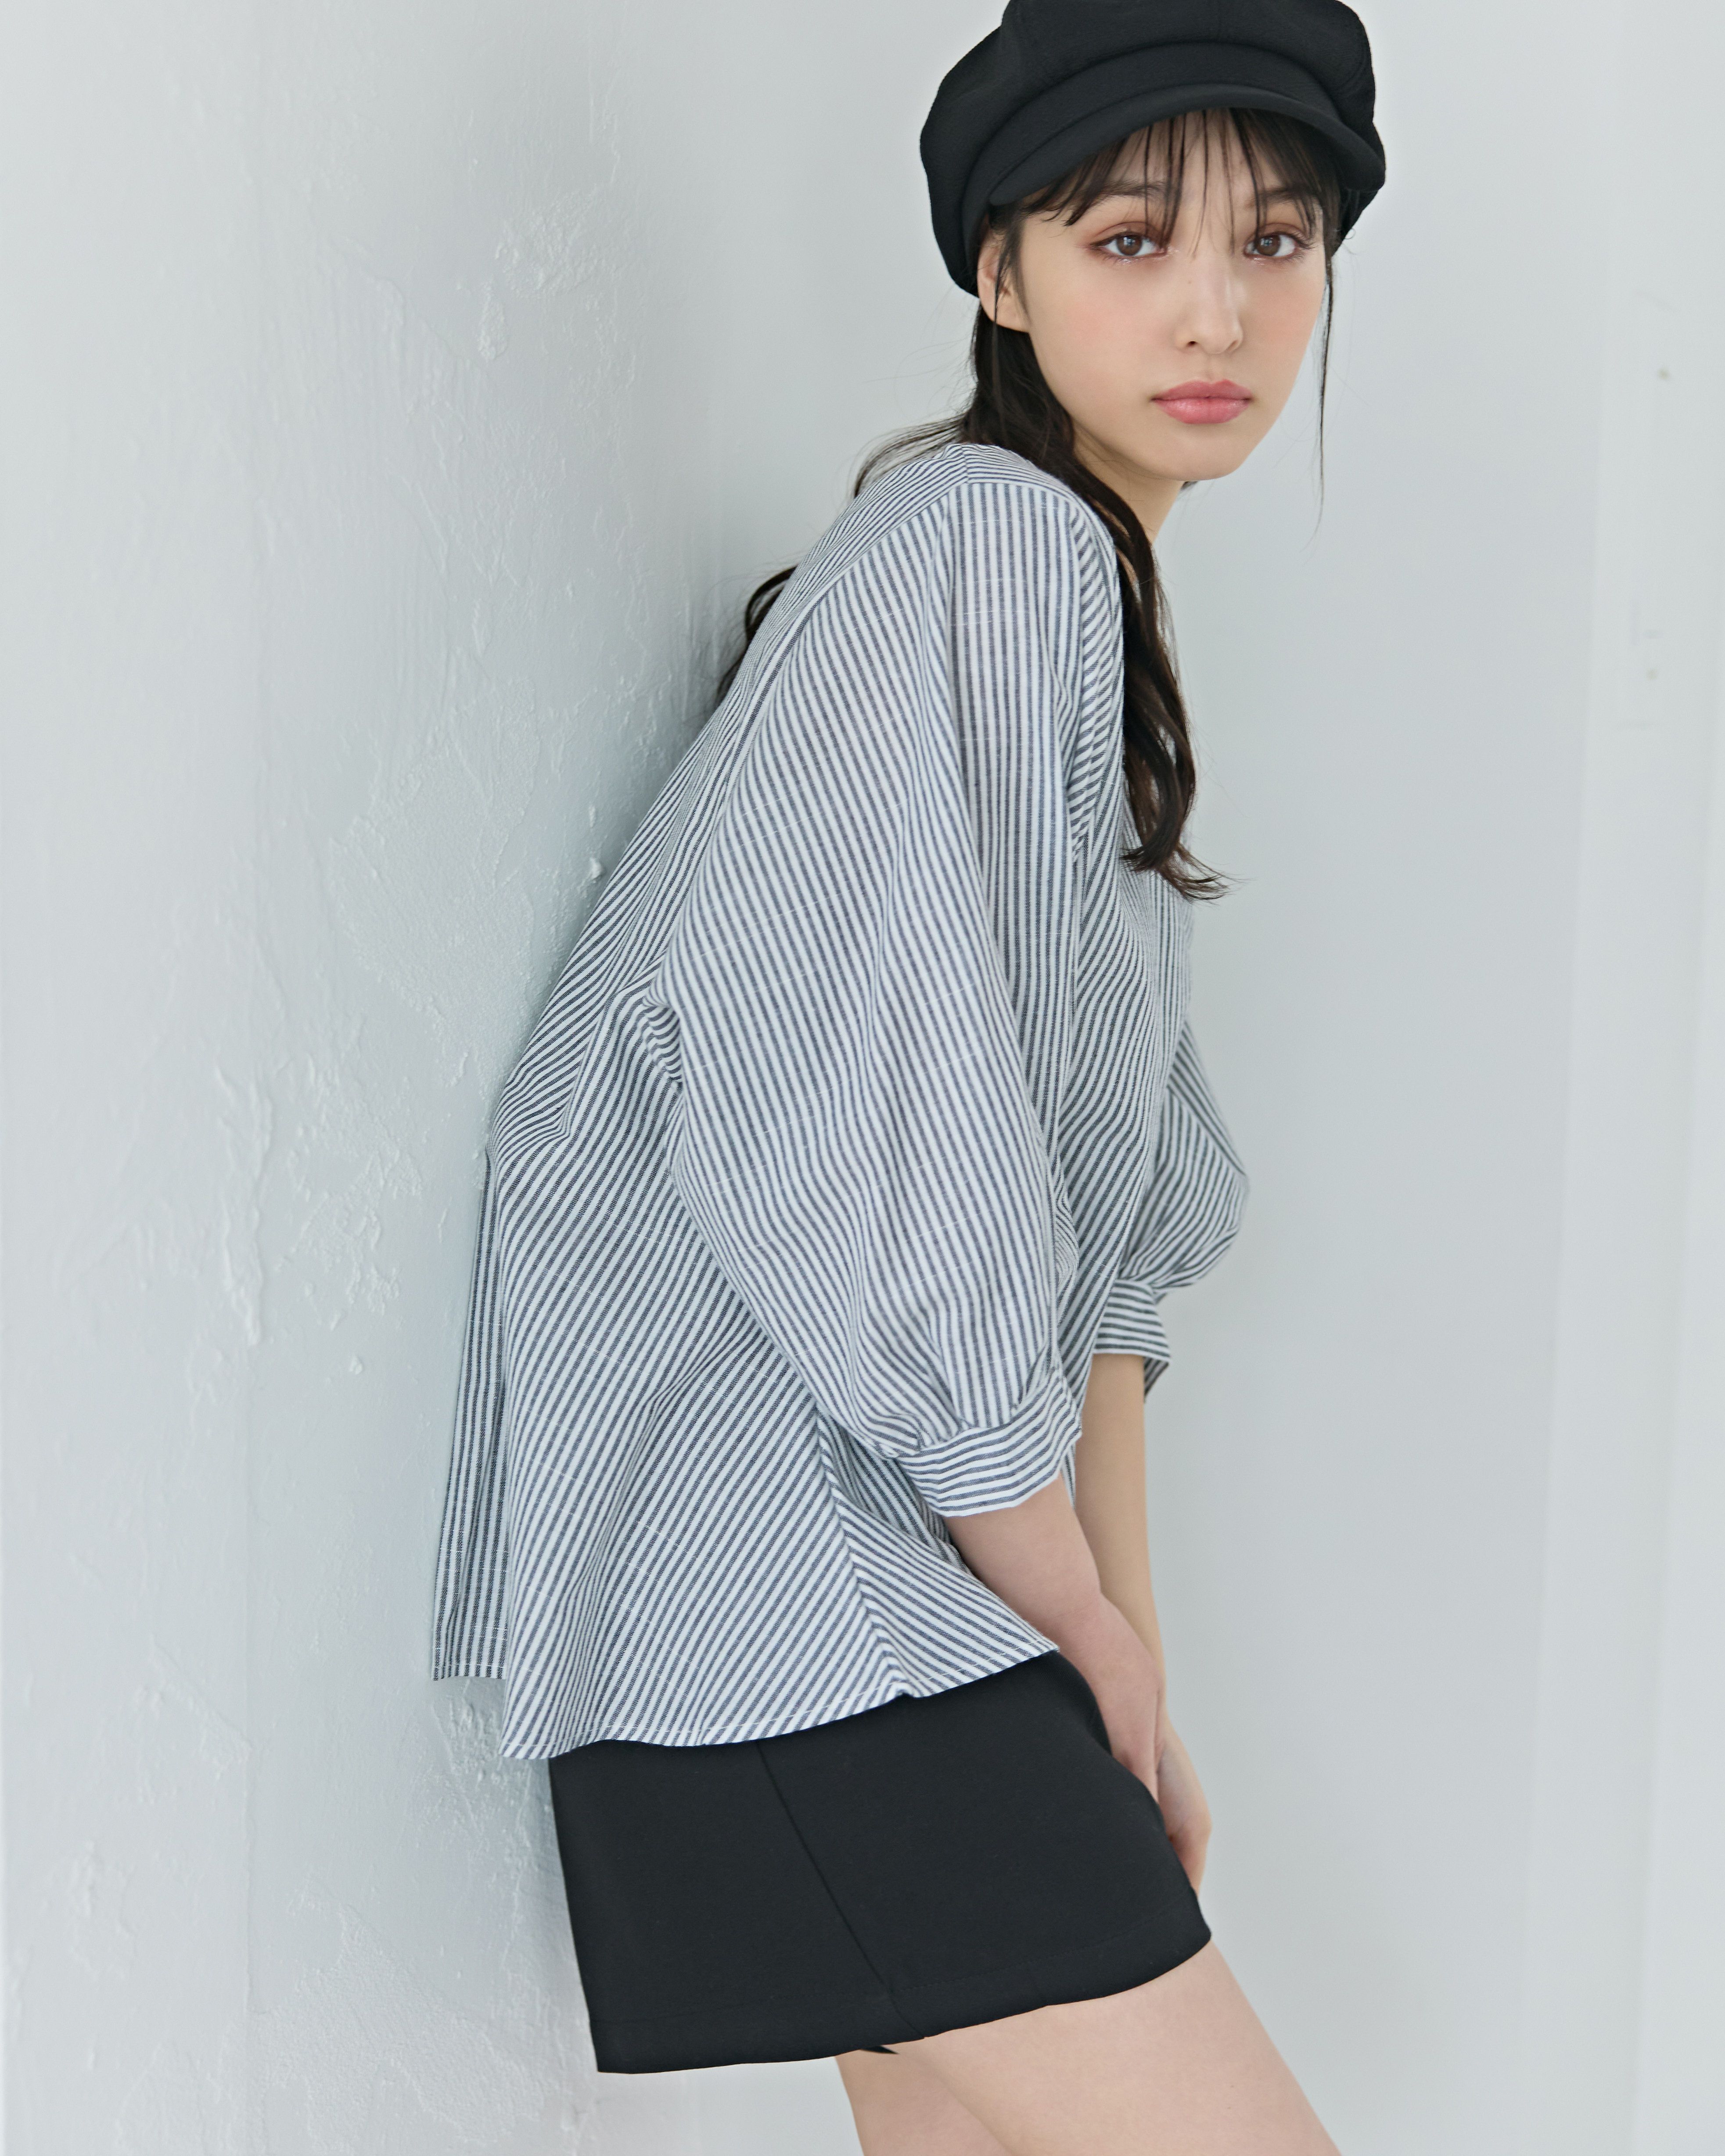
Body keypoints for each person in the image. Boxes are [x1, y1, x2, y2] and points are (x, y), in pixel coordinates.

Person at [431, 0, 1386, 2147]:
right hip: (795, 1618)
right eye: (1129, 239)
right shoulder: (986, 546)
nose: (1215, 310)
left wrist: (1119, 1675)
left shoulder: (1080, 618)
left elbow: (1101, 1284)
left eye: (1275, 239)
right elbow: (863, 1136)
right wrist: (1065, 1623)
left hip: (914, 1625)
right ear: (997, 272)